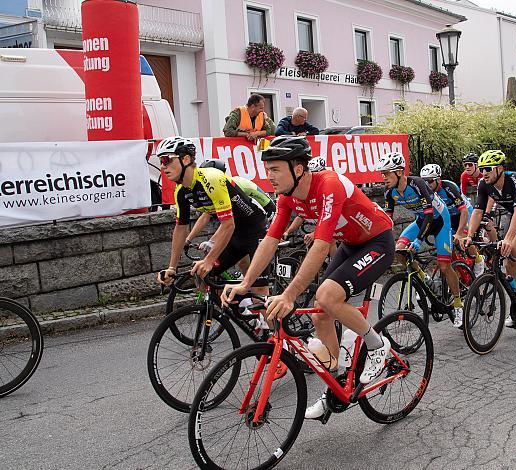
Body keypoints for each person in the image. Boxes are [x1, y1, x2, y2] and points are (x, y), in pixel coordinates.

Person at [220, 136, 396, 420]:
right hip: (350, 244)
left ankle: (377, 345)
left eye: (275, 169)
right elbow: (270, 240)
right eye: (268, 169)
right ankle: (337, 383)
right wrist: (245, 282)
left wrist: (289, 295)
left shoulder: (328, 185)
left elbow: (321, 245)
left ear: (298, 169)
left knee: (327, 297)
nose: (269, 176)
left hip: (377, 242)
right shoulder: (287, 197)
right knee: (319, 314)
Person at [154, 137, 269, 292]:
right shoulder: (181, 192)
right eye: (161, 161)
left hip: (255, 229)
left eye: (166, 159)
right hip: (235, 234)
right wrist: (171, 268)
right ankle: (227, 312)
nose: (162, 166)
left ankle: (262, 315)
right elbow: (180, 229)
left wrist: (209, 260)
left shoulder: (211, 178)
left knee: (258, 290)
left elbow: (228, 224)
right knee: (203, 275)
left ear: (186, 159)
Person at [380, 153, 464, 328]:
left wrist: (418, 241)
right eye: (383, 173)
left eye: (387, 173)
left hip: (440, 221)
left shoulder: (417, 184)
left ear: (400, 173)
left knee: (444, 265)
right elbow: (387, 221)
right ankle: (425, 278)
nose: (384, 178)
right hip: (421, 221)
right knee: (399, 250)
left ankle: (458, 304)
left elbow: (430, 216)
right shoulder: (389, 192)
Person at [464, 150, 516, 329]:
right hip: (515, 215)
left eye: (488, 169)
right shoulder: (484, 185)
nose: (484, 173)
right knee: (509, 264)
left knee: (513, 245)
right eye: (482, 169)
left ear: (500, 168)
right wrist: (469, 236)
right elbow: (478, 211)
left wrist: (508, 239)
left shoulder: (515, 179)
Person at [420, 163, 485, 276]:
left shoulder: (448, 187)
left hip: (463, 212)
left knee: (465, 239)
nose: (427, 185)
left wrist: (460, 233)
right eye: (424, 181)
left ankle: (479, 260)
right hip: (449, 216)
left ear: (438, 180)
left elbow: (464, 212)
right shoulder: (425, 192)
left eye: (430, 181)